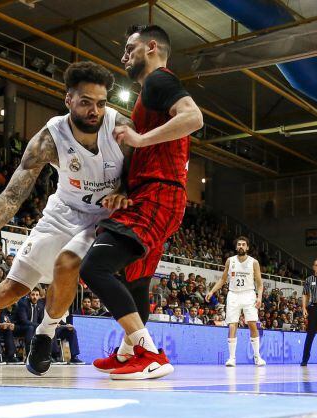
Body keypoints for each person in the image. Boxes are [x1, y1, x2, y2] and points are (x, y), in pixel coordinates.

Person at [0, 61, 132, 377]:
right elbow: (11, 197)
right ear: (69, 100)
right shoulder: (50, 139)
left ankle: (45, 332)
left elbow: (145, 172)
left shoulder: (120, 129)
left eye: (101, 103)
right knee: (11, 288)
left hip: (101, 220)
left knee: (68, 263)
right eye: (86, 102)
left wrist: (124, 188)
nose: (95, 111)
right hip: (62, 211)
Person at [80, 24, 203, 381]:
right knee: (137, 282)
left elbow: (194, 117)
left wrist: (140, 138)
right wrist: (123, 187)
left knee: (95, 267)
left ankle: (149, 352)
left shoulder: (158, 81)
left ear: (151, 47)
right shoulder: (147, 93)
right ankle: (126, 353)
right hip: (150, 194)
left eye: (129, 48)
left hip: (160, 194)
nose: (123, 56)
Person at [206, 236, 265, 367]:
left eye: (243, 244)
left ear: (247, 247)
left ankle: (257, 356)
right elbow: (222, 280)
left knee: (252, 323)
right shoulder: (230, 261)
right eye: (239, 244)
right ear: (236, 247)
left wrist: (259, 297)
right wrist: (212, 291)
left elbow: (260, 284)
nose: (241, 246)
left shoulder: (254, 262)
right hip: (233, 294)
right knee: (232, 324)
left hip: (249, 293)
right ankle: (232, 358)